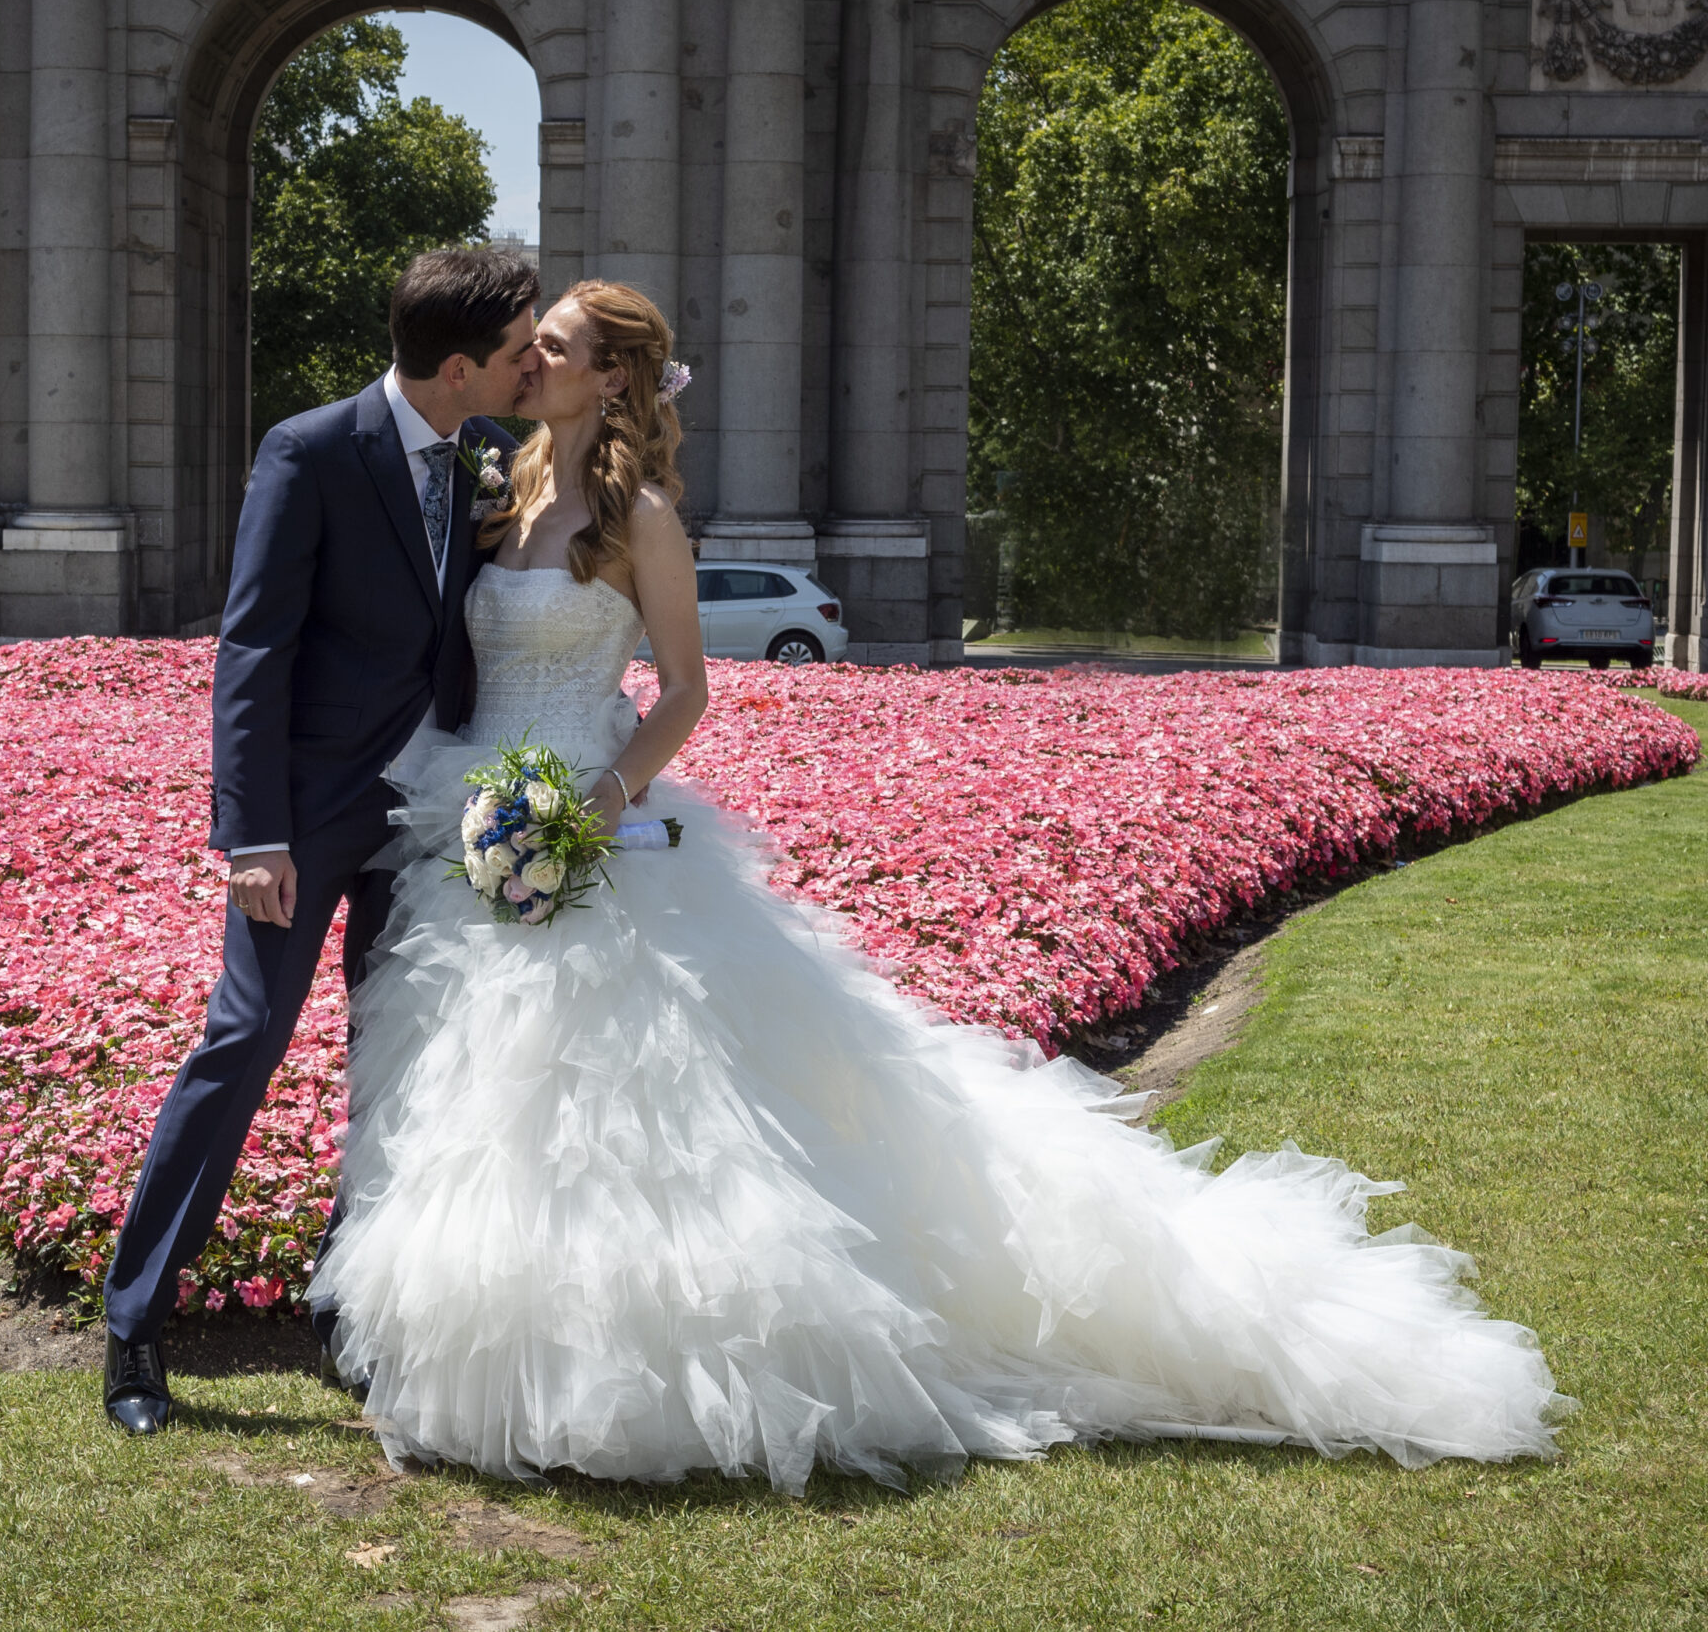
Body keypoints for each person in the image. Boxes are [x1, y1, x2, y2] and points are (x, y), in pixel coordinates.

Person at [303, 279, 1572, 1494]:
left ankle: (637, 1376)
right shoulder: (493, 495)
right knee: (493, 1103)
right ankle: (510, 1353)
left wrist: (600, 805)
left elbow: (683, 690)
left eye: (560, 345)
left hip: (597, 822)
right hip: (474, 819)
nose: (534, 358)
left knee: (627, 1114)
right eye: (530, 345)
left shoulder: (642, 521)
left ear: (619, 376)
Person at [98, 247, 543, 1434]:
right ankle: (135, 1330)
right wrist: (252, 835)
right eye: (513, 352)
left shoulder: (492, 455)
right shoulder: (307, 450)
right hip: (305, 821)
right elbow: (253, 650)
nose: (528, 366)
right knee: (241, 1043)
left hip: (433, 820)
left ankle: (347, 1305)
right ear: (457, 366)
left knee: (397, 1065)